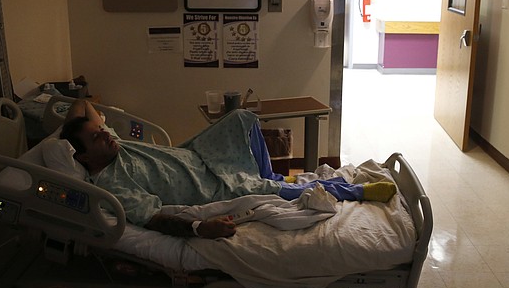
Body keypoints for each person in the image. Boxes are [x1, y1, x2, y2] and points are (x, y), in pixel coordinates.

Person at [60, 99, 396, 239]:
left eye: (100, 129)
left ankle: (270, 177)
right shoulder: (113, 184)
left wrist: (67, 124)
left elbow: (83, 106)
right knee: (272, 189)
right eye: (96, 137)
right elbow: (153, 219)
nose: (104, 132)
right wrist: (198, 228)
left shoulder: (115, 145)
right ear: (85, 159)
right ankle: (358, 191)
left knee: (241, 119)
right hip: (213, 187)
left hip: (199, 155)